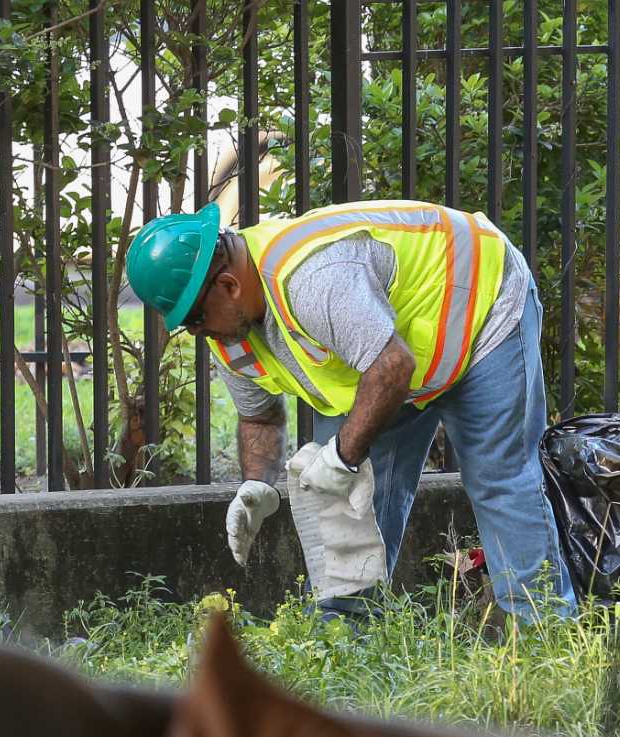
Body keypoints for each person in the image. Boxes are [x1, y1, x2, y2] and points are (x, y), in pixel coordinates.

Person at [125, 199, 575, 622]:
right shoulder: (233, 336)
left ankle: (541, 634)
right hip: (388, 358)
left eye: (195, 318)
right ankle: (342, 636)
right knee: (354, 496)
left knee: (500, 478)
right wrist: (256, 484)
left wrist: (341, 456)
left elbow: (391, 366)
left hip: (479, 302)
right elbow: (259, 417)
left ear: (228, 285)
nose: (197, 332)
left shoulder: (313, 280)